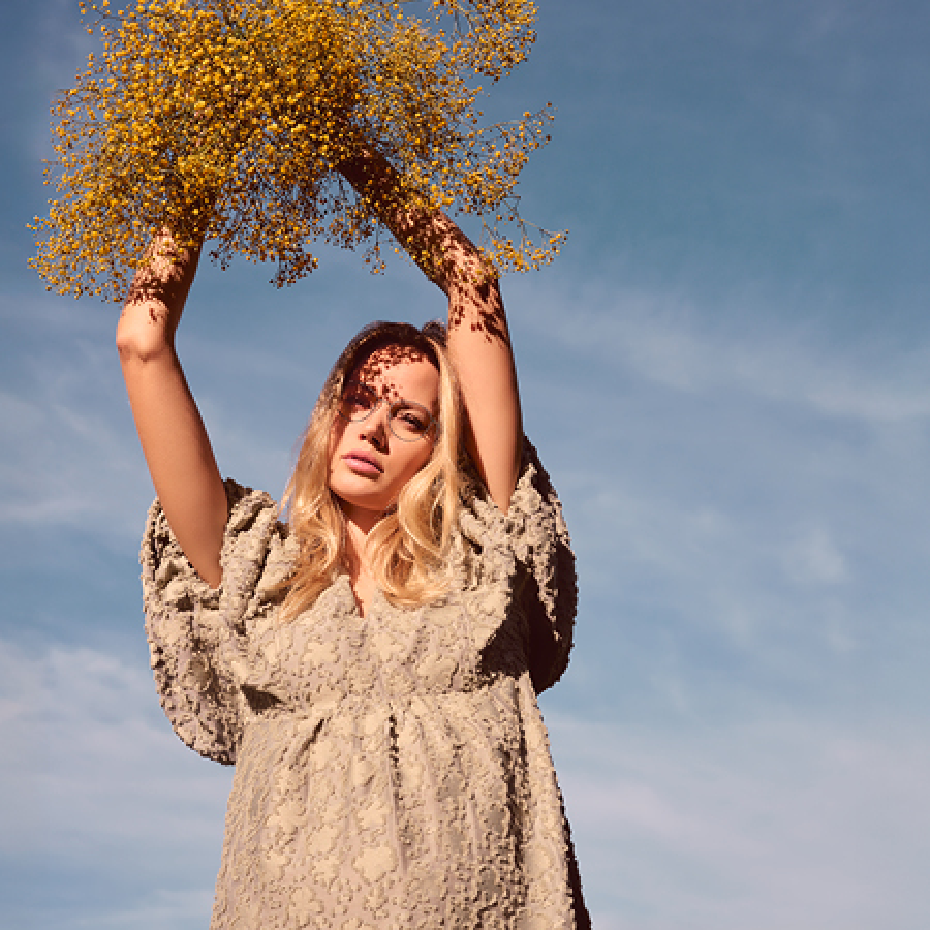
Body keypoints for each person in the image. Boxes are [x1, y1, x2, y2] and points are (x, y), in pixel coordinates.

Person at [117, 149, 590, 929]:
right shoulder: (254, 567)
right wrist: (205, 147)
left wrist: (348, 144)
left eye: (410, 419)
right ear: (327, 415)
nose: (372, 427)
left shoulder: (483, 548)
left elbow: (471, 283)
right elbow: (142, 340)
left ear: (440, 449)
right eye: (358, 400)